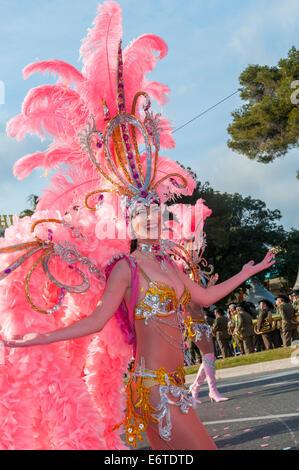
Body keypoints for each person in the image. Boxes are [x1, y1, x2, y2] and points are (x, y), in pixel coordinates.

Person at [0, 2, 276, 452]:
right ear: (130, 221)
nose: (151, 220)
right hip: (152, 390)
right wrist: (39, 338)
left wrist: (249, 271)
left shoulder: (170, 266)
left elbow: (205, 298)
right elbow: (94, 321)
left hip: (174, 386)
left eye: (155, 212)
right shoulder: (128, 268)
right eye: (140, 213)